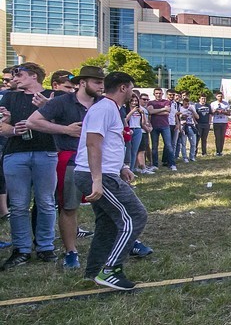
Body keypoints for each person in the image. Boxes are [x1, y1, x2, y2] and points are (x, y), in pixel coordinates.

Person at [25, 66, 106, 269]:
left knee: (110, 206)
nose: (101, 87)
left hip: (102, 162)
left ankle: (122, 243)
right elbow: (32, 122)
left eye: (102, 83)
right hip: (71, 161)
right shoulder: (62, 102)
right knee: (69, 207)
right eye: (97, 82)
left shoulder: (104, 104)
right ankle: (71, 252)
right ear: (82, 83)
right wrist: (65, 130)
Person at [73, 72, 148, 290]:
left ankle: (94, 271)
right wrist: (97, 180)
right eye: (132, 88)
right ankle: (111, 269)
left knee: (107, 223)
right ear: (123, 88)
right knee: (135, 216)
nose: (133, 92)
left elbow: (110, 144)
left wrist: (122, 167)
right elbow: (93, 144)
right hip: (98, 175)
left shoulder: (111, 109)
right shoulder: (104, 108)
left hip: (105, 173)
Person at [0, 63, 58, 269]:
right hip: (15, 153)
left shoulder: (53, 96)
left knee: (46, 202)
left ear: (34, 76)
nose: (15, 77)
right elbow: (2, 127)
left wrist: (46, 109)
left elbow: (61, 125)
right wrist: (14, 129)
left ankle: (45, 246)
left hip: (46, 152)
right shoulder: (10, 97)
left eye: (20, 74)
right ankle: (21, 249)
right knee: (18, 205)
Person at [147, 87, 175, 170]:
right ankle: (155, 165)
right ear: (154, 94)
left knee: (169, 145)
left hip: (165, 125)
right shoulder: (150, 102)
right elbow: (150, 112)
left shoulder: (167, 102)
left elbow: (167, 112)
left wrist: (156, 111)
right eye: (157, 93)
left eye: (160, 93)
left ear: (162, 94)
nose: (158, 95)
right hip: (154, 126)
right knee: (154, 147)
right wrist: (163, 109)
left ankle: (172, 164)